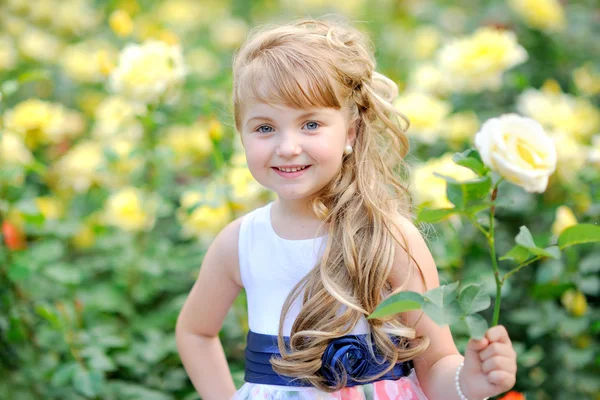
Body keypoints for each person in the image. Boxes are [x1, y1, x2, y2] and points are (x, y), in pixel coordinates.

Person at [175, 18, 517, 400]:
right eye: (265, 128)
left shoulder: (387, 238)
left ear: (350, 132)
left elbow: (436, 361)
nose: (287, 146)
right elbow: (195, 331)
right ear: (242, 134)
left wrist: (468, 381)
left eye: (311, 124)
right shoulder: (240, 243)